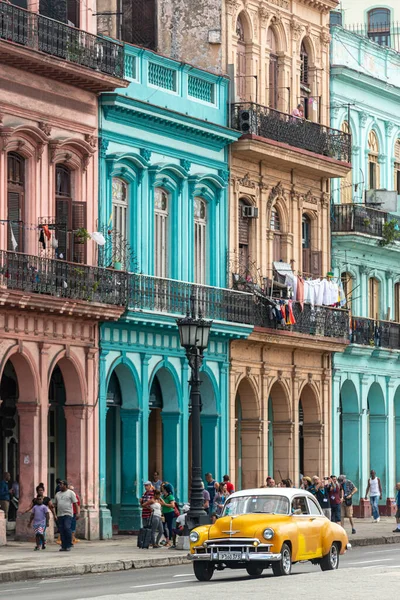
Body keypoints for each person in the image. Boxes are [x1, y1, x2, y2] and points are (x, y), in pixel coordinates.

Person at [54, 480, 80, 552]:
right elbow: (56, 504)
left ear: (65, 485)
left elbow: (75, 503)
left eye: (61, 484)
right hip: (60, 514)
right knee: (61, 530)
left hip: (68, 514)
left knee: (67, 527)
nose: (60, 486)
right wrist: (52, 508)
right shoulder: (57, 494)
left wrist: (77, 513)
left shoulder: (71, 493)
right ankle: (63, 545)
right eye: (59, 484)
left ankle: (69, 544)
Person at [160, 483, 175, 548]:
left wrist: (165, 504)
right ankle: (166, 539)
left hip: (169, 513)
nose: (162, 490)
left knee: (169, 527)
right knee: (163, 527)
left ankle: (170, 541)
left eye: (163, 489)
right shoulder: (163, 496)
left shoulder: (170, 496)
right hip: (164, 513)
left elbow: (172, 505)